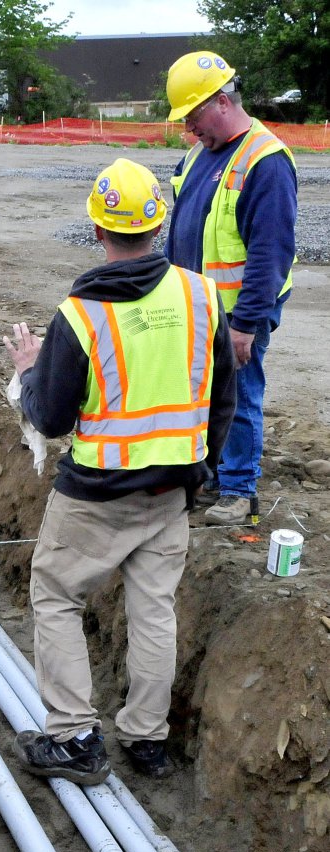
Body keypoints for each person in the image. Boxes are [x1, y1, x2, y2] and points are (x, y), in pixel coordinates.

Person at [3, 158, 236, 784]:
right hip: (171, 488)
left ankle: (76, 738)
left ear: (96, 229)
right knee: (154, 610)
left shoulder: (80, 316)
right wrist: (203, 467)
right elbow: (223, 399)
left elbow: (50, 420)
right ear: (159, 226)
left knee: (55, 595)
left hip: (98, 492)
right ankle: (146, 739)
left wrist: (29, 368)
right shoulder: (201, 295)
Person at [165, 51, 298, 526]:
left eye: (193, 115)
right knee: (205, 395)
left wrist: (245, 325)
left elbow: (271, 253)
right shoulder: (201, 153)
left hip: (237, 313)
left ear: (222, 101)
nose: (189, 128)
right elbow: (182, 226)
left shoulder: (265, 161)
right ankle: (217, 477)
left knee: (238, 396)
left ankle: (240, 491)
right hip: (198, 307)